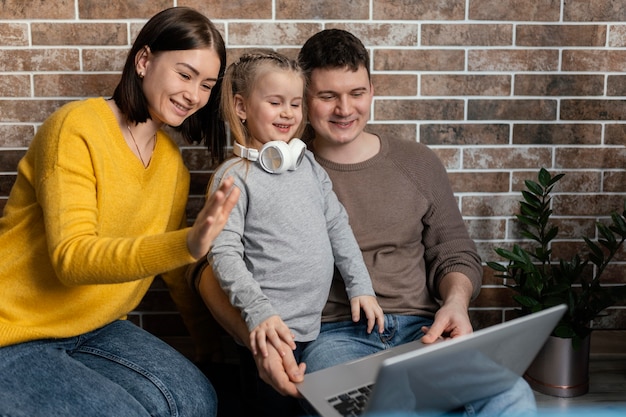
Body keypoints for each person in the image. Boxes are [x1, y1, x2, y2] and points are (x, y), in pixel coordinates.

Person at [193, 29, 537, 417]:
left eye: (356, 93)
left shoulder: (417, 162)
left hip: (422, 331)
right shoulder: (274, 171)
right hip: (334, 337)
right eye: (327, 96)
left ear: (372, 90)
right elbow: (210, 266)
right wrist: (259, 340)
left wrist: (456, 302)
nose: (345, 109)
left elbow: (454, 251)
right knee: (379, 409)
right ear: (306, 98)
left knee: (512, 395)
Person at [0, 7, 240, 417]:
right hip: (14, 330)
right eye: (185, 75)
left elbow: (175, 274)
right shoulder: (76, 128)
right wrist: (187, 243)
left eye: (206, 84)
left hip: (97, 327)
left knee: (198, 400)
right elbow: (71, 260)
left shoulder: (171, 165)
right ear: (144, 61)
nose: (194, 95)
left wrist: (208, 346)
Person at [205, 49, 384, 416]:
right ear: (241, 107)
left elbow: (337, 227)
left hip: (313, 329)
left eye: (295, 103)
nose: (287, 113)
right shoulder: (235, 177)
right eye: (274, 102)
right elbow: (221, 253)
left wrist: (360, 286)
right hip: (268, 330)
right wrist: (258, 314)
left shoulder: (309, 166)